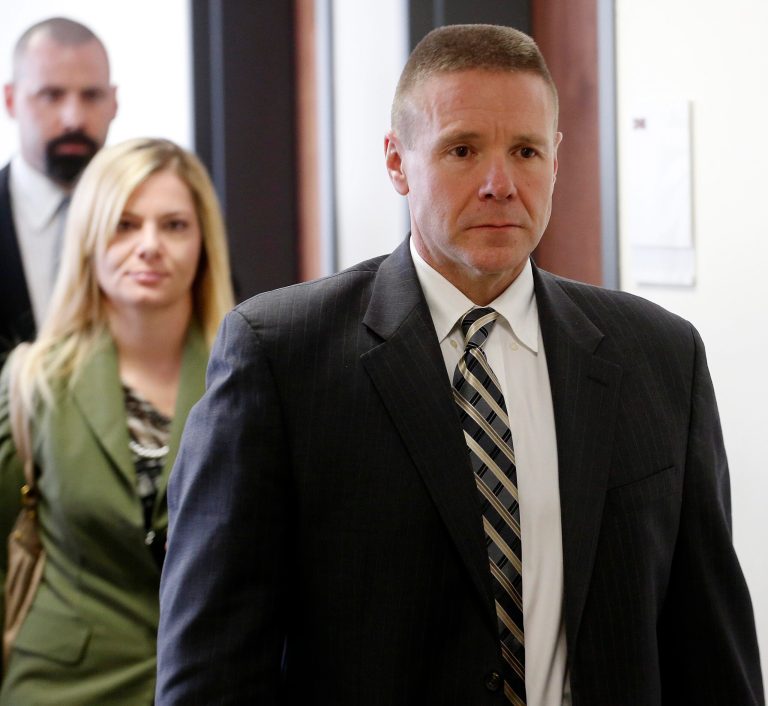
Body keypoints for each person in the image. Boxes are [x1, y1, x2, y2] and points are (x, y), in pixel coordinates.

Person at [156, 25, 764, 706]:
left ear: (556, 159)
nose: (500, 184)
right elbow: (211, 668)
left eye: (526, 151)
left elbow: (712, 652)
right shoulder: (280, 356)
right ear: (397, 161)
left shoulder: (661, 357)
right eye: (462, 150)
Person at [0, 137, 234, 705]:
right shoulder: (33, 382)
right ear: (89, 241)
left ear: (203, 243)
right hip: (62, 685)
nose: (149, 246)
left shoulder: (249, 381)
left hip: (210, 682)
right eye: (124, 225)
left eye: (174, 225)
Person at [1, 17, 117, 354]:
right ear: (10, 100)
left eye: (91, 95)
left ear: (114, 102)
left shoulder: (164, 218)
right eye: (51, 95)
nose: (73, 118)